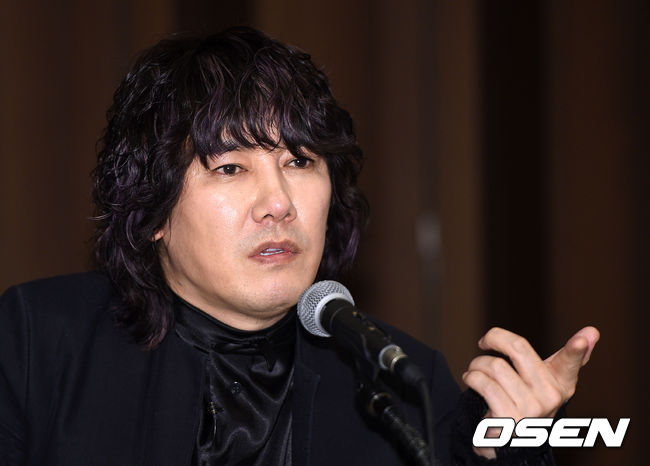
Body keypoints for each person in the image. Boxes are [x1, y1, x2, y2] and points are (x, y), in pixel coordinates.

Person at [0, 27, 598, 465]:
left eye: (300, 161)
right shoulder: (34, 345)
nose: (279, 202)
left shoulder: (404, 381)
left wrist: (516, 448)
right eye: (230, 168)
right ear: (152, 208)